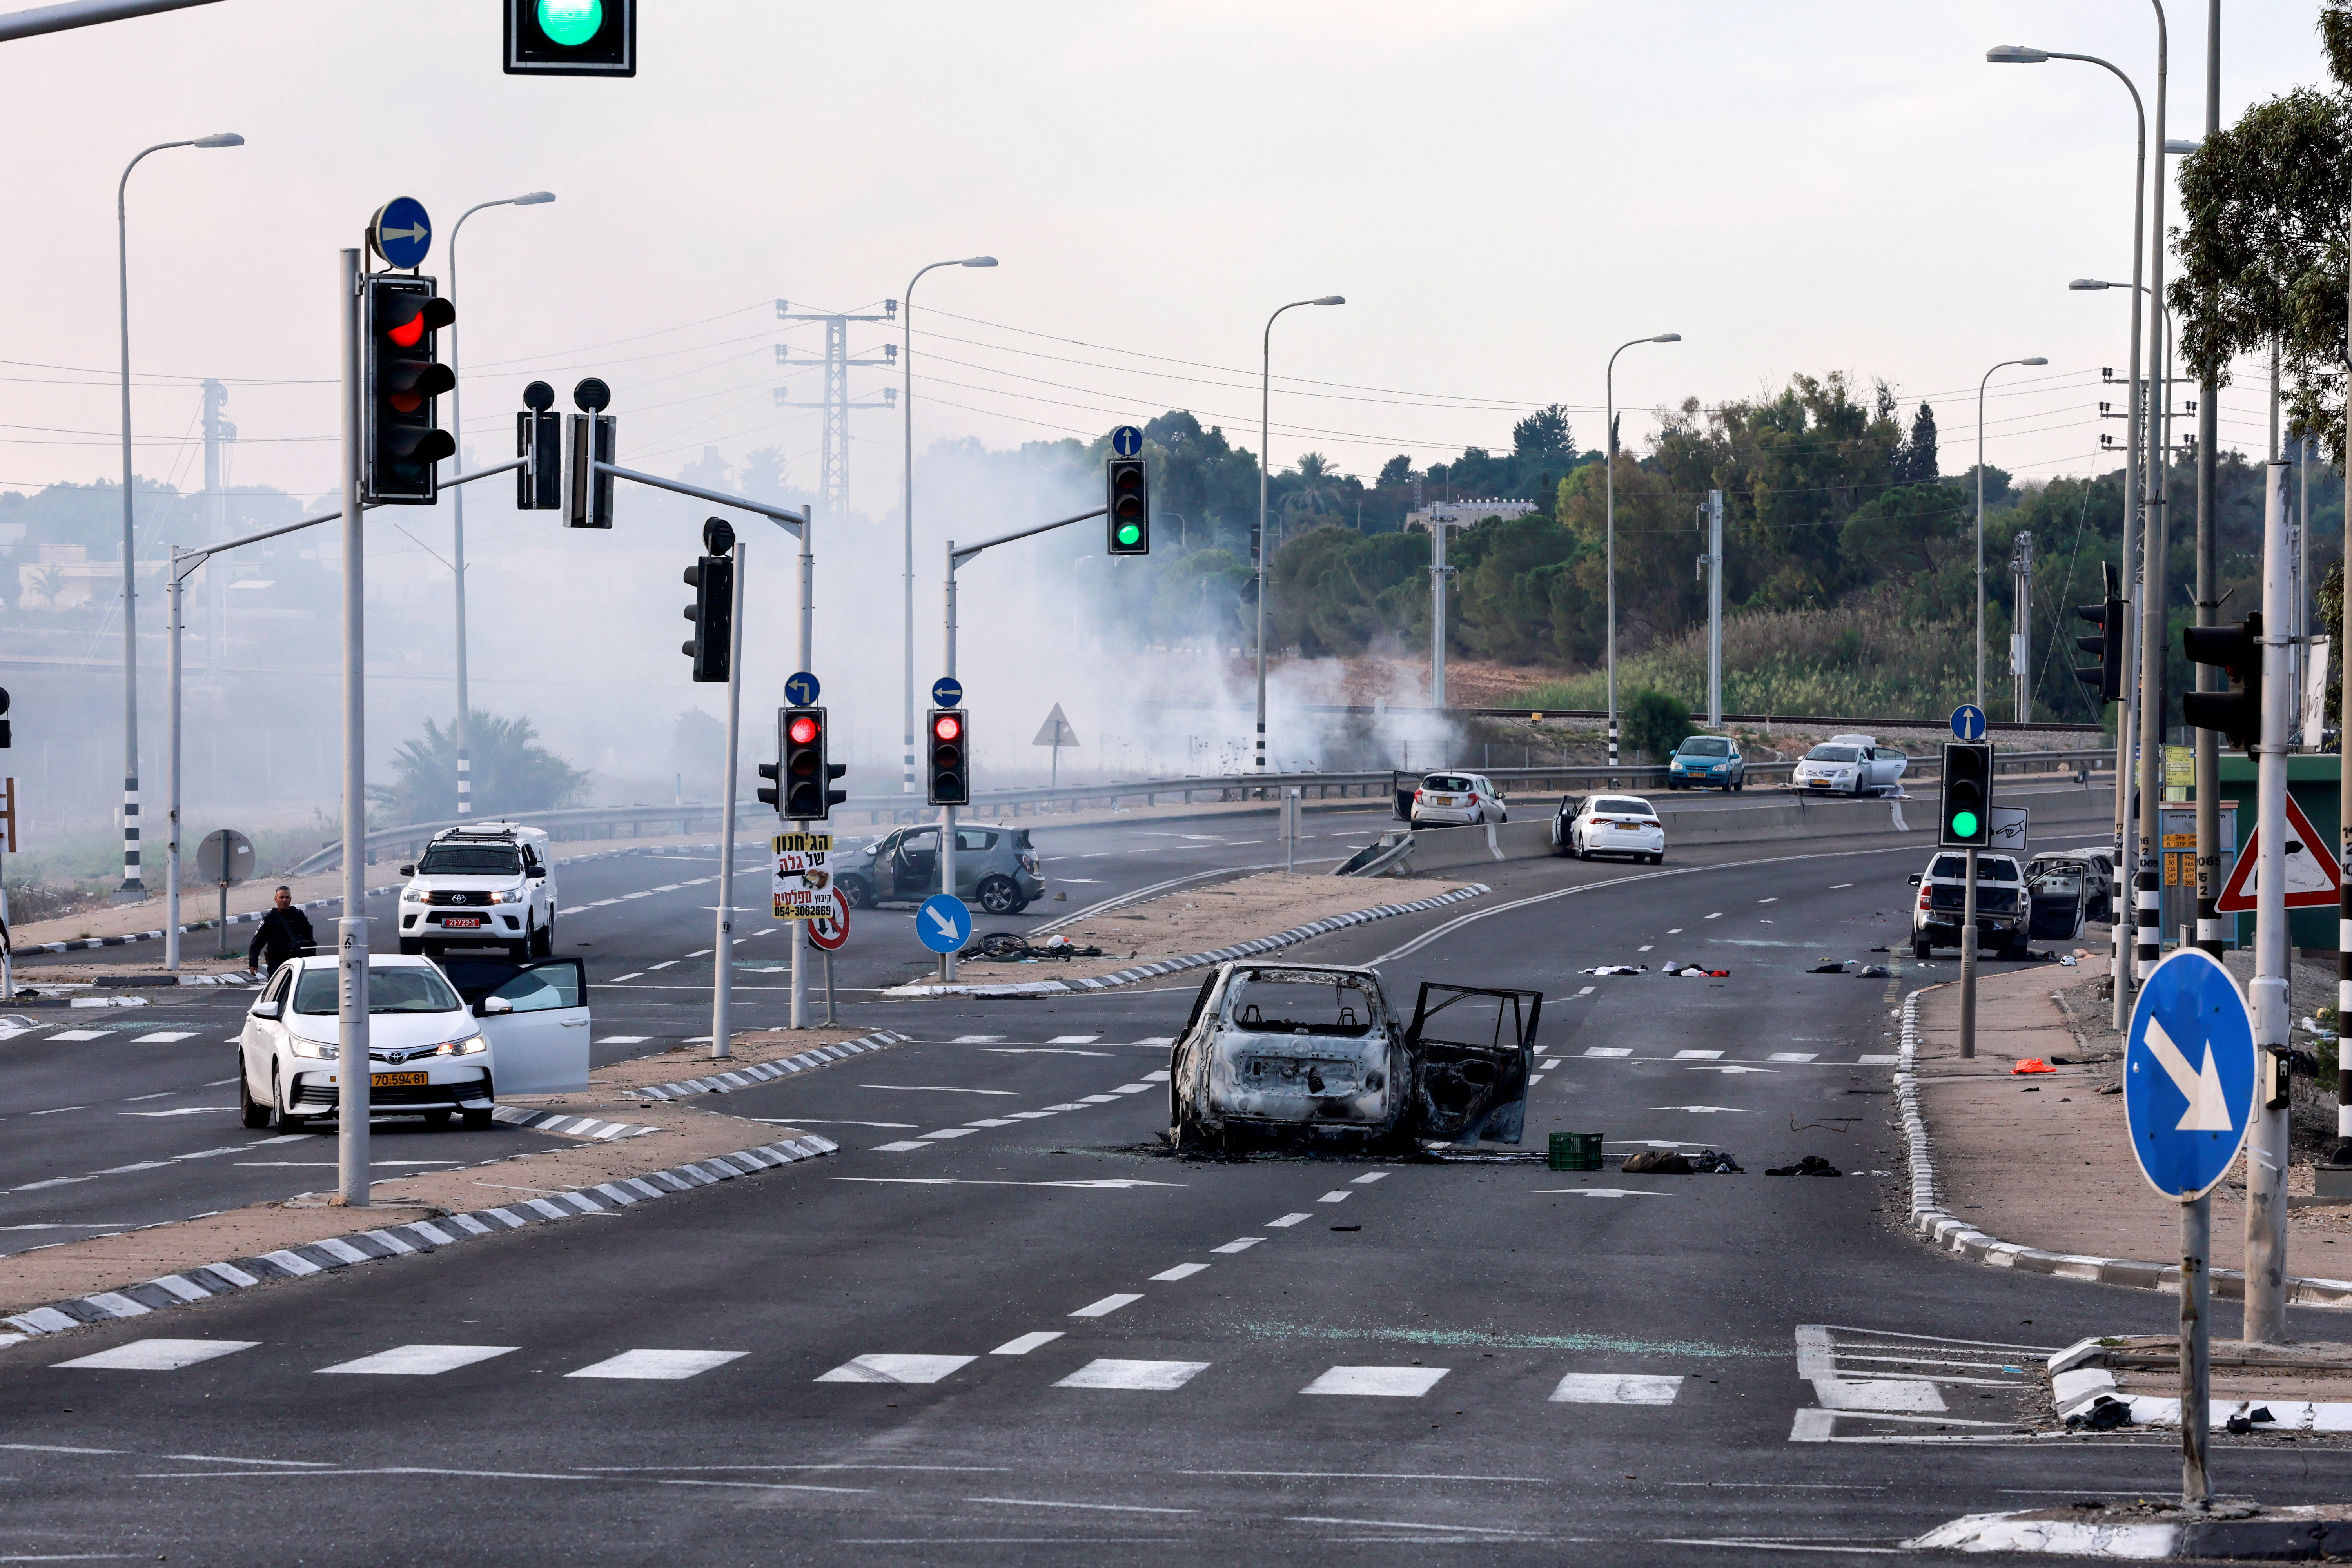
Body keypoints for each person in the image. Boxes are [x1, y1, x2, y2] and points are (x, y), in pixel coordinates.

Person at [247, 886, 316, 978]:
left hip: (298, 961)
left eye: (287, 898)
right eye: (281, 897)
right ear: (276, 900)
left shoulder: (299, 916)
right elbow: (257, 943)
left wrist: (312, 957)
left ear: (291, 900)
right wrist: (253, 964)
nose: (284, 900)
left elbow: (309, 939)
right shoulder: (269, 919)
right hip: (278, 963)